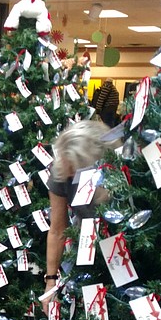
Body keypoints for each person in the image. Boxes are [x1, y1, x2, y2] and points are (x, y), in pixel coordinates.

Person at [44, 119, 112, 297]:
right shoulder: (62, 170)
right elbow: (58, 229)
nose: (70, 174)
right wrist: (50, 280)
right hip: (84, 245)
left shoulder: (116, 170)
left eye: (76, 168)